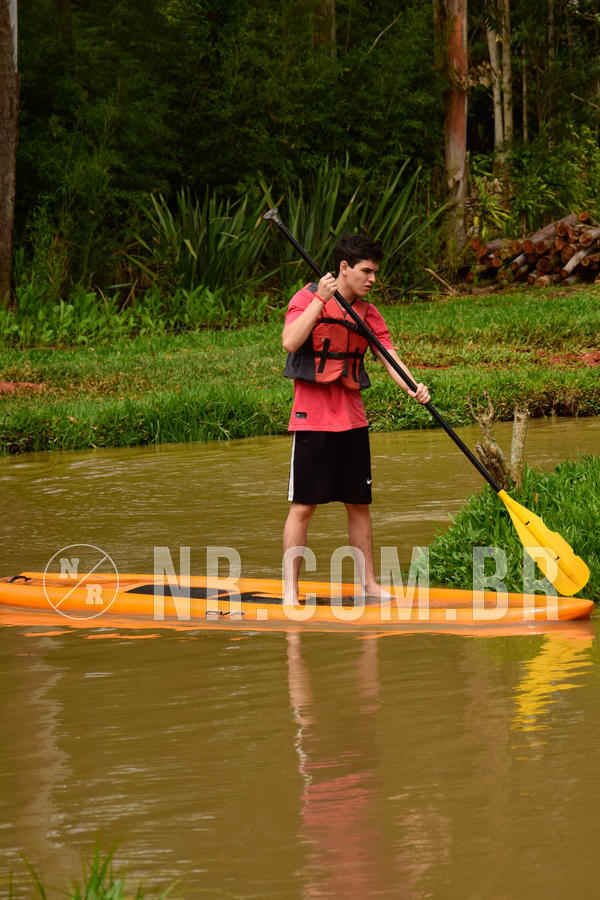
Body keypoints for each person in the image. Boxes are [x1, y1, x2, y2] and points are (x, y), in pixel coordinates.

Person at [281, 233, 430, 603]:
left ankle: (370, 585)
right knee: (303, 506)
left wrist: (414, 387)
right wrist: (321, 300)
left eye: (375, 272)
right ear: (344, 268)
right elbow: (290, 341)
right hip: (312, 419)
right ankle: (289, 590)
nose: (372, 279)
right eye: (366, 271)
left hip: (353, 420)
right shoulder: (306, 298)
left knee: (359, 505)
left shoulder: (369, 312)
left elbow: (389, 357)